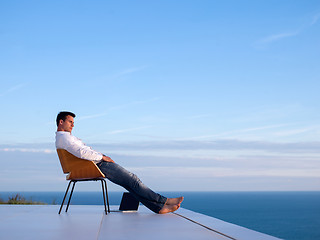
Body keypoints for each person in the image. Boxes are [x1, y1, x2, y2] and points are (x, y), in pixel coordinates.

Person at [55, 111, 183, 214]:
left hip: (94, 164)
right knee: (133, 180)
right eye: (70, 122)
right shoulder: (65, 138)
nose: (73, 125)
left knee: (129, 183)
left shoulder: (63, 138)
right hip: (98, 165)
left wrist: (101, 156)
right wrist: (102, 157)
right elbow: (82, 153)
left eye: (73, 123)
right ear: (61, 122)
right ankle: (164, 200)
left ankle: (158, 208)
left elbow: (81, 152)